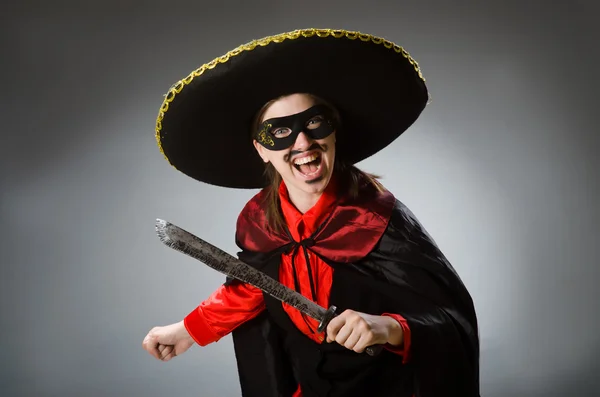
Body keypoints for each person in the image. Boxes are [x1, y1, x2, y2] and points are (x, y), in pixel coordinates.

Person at [143, 28, 480, 397]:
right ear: (261, 149)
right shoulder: (260, 222)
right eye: (281, 132)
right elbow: (251, 289)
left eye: (315, 123)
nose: (303, 142)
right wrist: (188, 331)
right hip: (309, 383)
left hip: (385, 385)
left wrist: (386, 327)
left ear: (334, 133)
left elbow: (449, 319)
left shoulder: (380, 218)